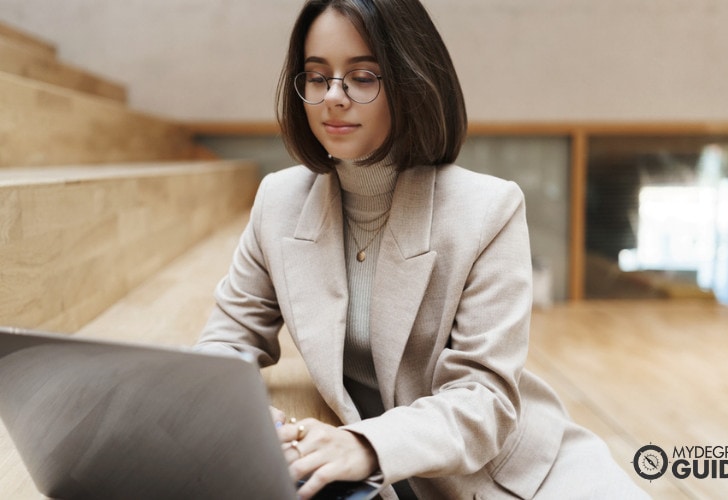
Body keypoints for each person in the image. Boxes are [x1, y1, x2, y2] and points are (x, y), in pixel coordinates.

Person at [196, 0, 649, 498]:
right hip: (382, 471)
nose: (334, 97)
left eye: (363, 77)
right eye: (317, 77)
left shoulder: (489, 209)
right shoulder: (278, 200)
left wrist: (365, 444)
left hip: (509, 476)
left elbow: (485, 399)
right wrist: (247, 416)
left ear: (410, 82)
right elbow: (228, 338)